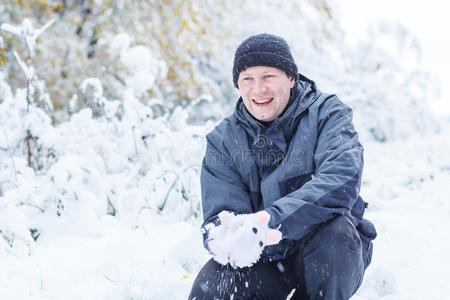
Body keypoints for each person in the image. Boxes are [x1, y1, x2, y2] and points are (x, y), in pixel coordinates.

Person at [188, 33, 377, 300]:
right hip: (267, 259)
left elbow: (340, 179)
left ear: (291, 78)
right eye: (247, 79)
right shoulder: (223, 140)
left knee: (334, 237)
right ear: (238, 85)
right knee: (214, 284)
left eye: (268, 77)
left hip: (329, 251)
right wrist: (222, 239)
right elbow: (221, 213)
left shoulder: (328, 114)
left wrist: (269, 222)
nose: (258, 89)